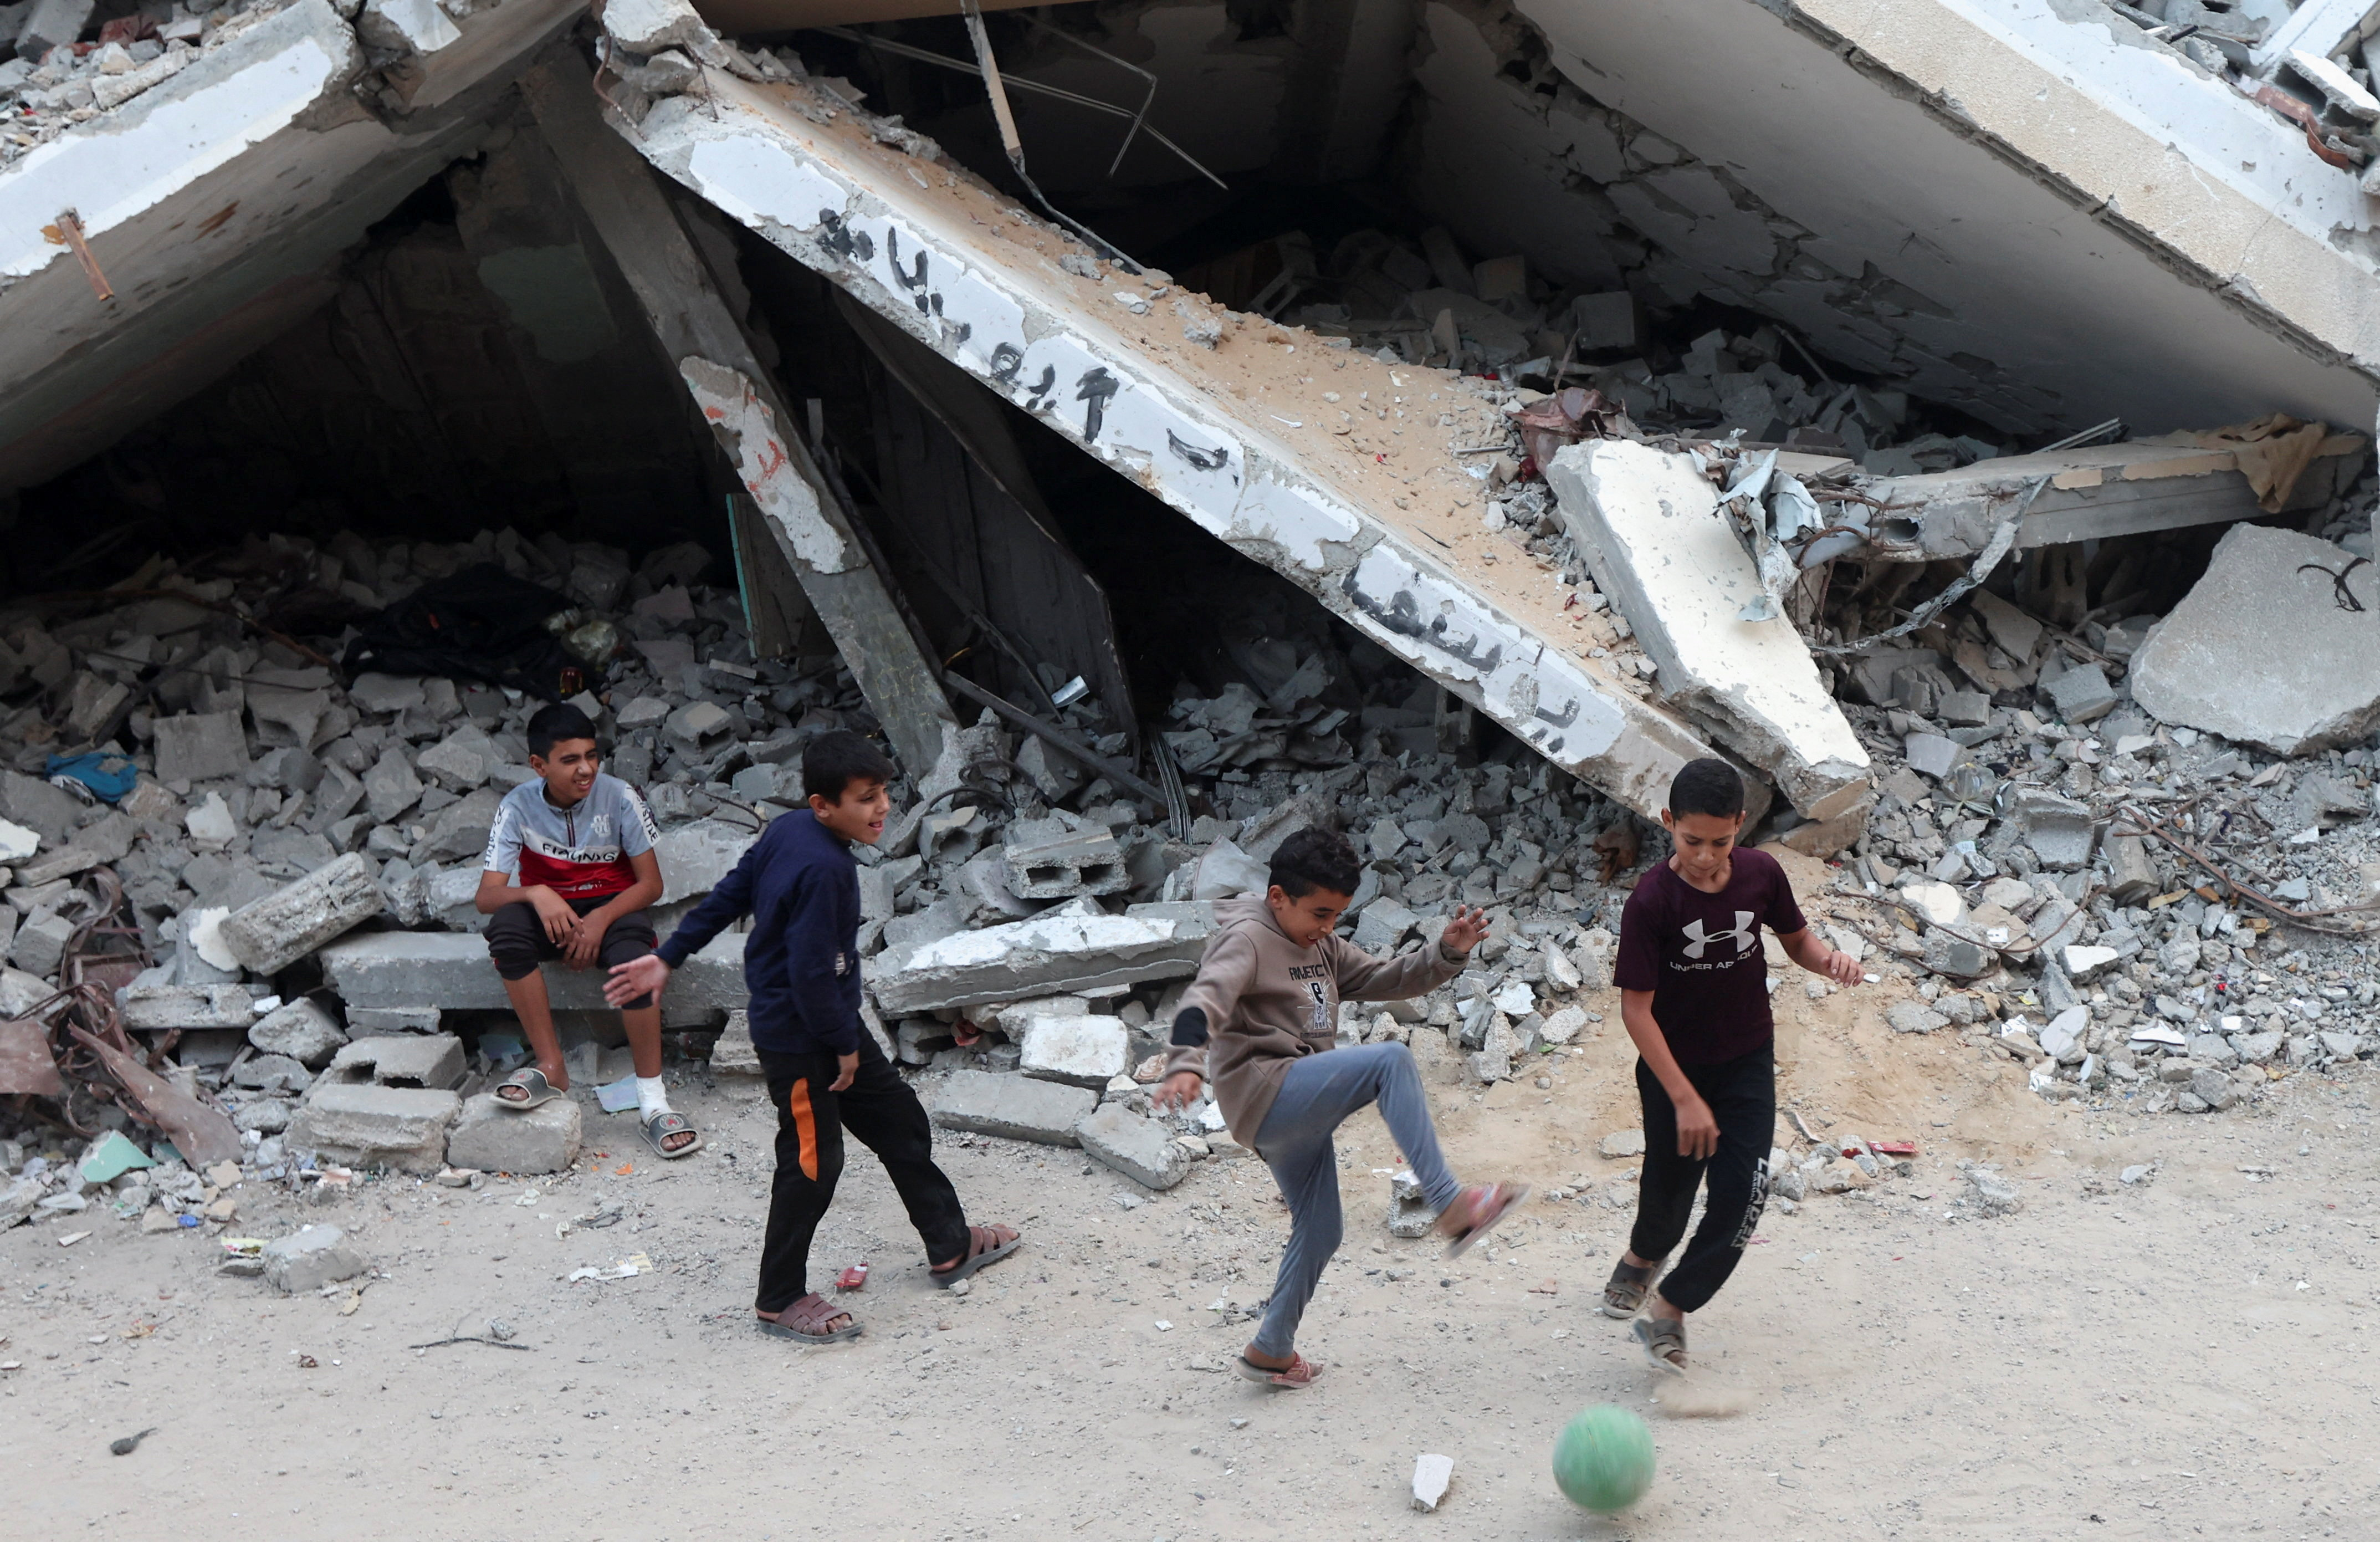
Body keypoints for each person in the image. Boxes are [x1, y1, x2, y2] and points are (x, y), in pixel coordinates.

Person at [605, 730, 1019, 1344]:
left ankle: (950, 1243)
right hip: (798, 1038)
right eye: (865, 799)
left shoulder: (790, 829)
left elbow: (732, 891)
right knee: (812, 1163)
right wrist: (844, 1046)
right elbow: (808, 970)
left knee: (899, 1120)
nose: (882, 809)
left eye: (882, 793)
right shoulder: (827, 868)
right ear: (823, 805)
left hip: (828, 1022)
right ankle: (778, 1298)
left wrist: (670, 956)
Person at [1155, 826, 1527, 1390]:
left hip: (1291, 1106)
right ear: (1278, 897)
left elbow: (1381, 978)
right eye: (1320, 913)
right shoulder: (1247, 940)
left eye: (1337, 915)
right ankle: (1450, 1205)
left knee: (1321, 1228)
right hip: (1265, 1089)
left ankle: (1270, 1349)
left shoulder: (1320, 944)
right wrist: (1185, 1062)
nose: (1328, 927)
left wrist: (1445, 952)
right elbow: (1203, 999)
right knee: (1389, 1061)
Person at [1600, 757, 1863, 1372]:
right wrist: (1684, 1097)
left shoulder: (1760, 874)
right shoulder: (1650, 902)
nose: (1704, 856)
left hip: (1746, 1058)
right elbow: (1636, 1011)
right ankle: (1642, 1257)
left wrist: (1828, 960)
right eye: (1691, 840)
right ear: (1668, 822)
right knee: (1669, 1187)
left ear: (1740, 825)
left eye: (1720, 842)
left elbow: (1796, 941)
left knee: (1744, 1193)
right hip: (1674, 1067)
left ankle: (1670, 1308)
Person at [476, 702, 698, 1158]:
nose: (587, 769)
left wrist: (599, 920)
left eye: (592, 756)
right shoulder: (516, 806)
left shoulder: (620, 797)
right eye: (570, 760)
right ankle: (551, 1067)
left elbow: (651, 885)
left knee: (636, 962)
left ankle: (652, 1101)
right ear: (539, 765)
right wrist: (537, 893)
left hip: (613, 909)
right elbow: (486, 896)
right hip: (551, 913)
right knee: (506, 931)